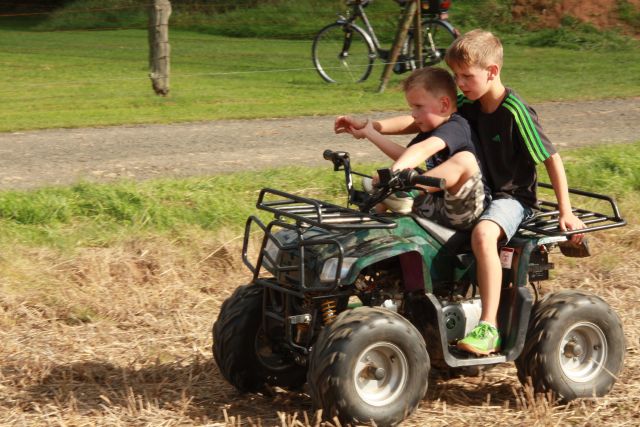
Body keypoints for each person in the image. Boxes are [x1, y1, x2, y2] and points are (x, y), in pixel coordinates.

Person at [335, 29, 585, 356]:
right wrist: (372, 127)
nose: (460, 83)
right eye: (456, 76)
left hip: (512, 198)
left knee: (484, 234)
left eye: (466, 76)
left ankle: (488, 327)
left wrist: (566, 211)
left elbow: (551, 158)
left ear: (492, 71)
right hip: (473, 190)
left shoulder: (515, 110)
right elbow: (418, 120)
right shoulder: (467, 102)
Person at [337, 66, 488, 231]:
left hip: (468, 209)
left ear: (444, 105)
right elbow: (406, 156)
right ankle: (369, 219)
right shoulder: (429, 130)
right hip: (436, 204)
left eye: (418, 106)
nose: (413, 114)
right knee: (404, 171)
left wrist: (393, 176)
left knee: (465, 160)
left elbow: (423, 149)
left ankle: (401, 194)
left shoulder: (457, 126)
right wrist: (369, 132)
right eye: (412, 107)